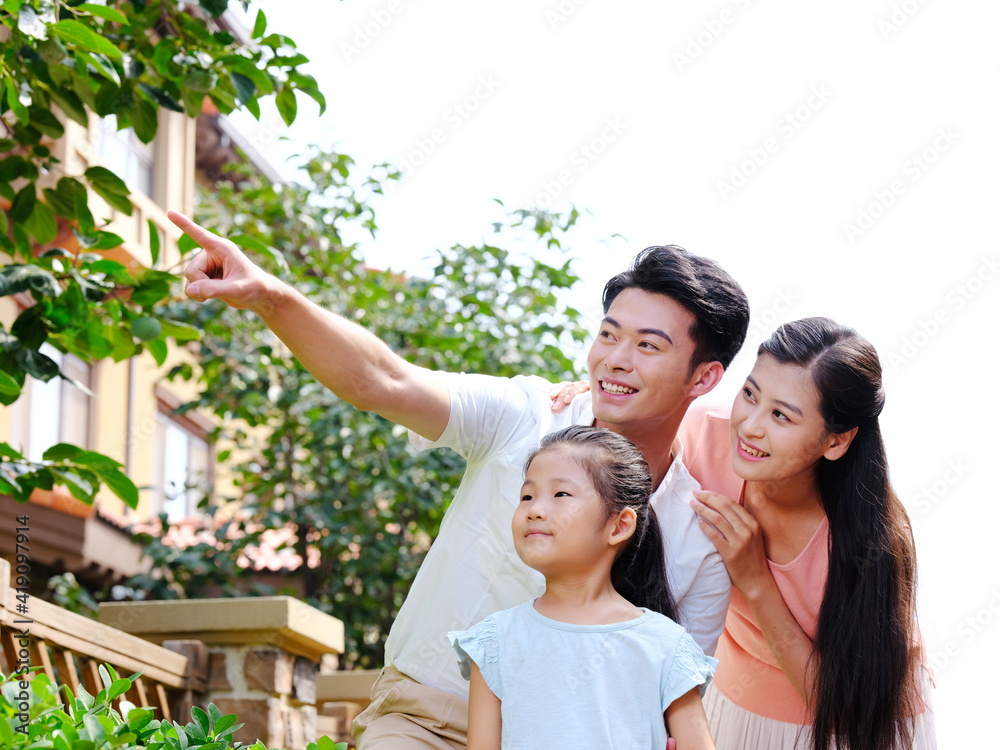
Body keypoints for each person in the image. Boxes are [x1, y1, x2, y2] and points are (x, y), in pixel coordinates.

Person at [167, 211, 750, 750]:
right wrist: (272, 297)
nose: (615, 359)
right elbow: (383, 380)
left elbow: (670, 700)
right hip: (426, 718)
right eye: (608, 334)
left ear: (704, 377)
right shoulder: (526, 415)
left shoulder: (698, 535)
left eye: (648, 346)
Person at [684, 318, 936, 750]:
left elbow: (843, 709)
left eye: (781, 415)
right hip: (735, 696)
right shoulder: (703, 434)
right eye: (750, 394)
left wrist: (755, 579)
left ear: (836, 442)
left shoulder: (870, 544)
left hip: (854, 726)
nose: (749, 426)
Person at [448, 425, 717, 750]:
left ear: (619, 525)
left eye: (561, 494)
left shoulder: (666, 645)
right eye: (527, 496)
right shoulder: (494, 643)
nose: (534, 510)